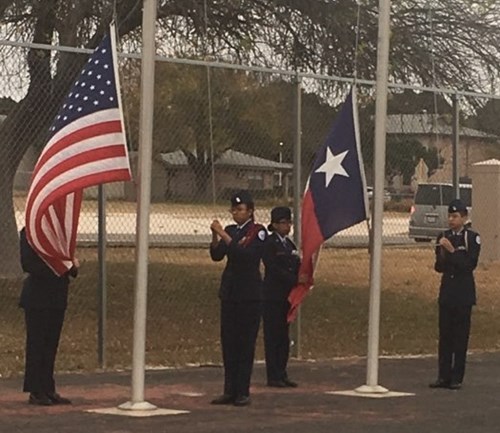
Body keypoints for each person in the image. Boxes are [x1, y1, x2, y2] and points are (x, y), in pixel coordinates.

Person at [209, 190, 267, 407]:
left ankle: (243, 390)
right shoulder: (231, 230)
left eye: (240, 209)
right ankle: (229, 389)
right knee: (229, 343)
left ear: (250, 211)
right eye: (233, 209)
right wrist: (215, 235)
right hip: (230, 293)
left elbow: (245, 255)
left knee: (245, 343)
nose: (236, 213)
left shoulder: (257, 232)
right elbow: (217, 255)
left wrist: (223, 234)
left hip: (249, 294)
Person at [19, 227, 79, 405]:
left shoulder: (61, 233)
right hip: (37, 296)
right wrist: (59, 266)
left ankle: (48, 387)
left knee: (51, 344)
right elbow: (28, 264)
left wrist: (71, 265)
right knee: (37, 343)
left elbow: (71, 267)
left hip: (57, 295)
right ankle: (35, 390)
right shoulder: (30, 232)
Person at [429, 199, 481, 390]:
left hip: (463, 293)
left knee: (460, 337)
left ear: (464, 218)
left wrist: (452, 251)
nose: (451, 220)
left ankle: (456, 377)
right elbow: (439, 267)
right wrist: (442, 254)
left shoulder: (471, 237)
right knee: (445, 336)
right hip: (447, 292)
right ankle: (443, 376)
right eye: (450, 216)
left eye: (455, 216)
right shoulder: (443, 236)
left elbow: (469, 265)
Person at [262, 206, 300, 388]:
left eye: (289, 222)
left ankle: (282, 372)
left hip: (286, 296)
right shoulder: (270, 244)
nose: (287, 226)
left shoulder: (290, 245)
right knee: (273, 336)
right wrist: (293, 279)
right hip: (272, 296)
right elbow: (273, 268)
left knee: (284, 337)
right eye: (284, 223)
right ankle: (273, 374)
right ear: (275, 224)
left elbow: (296, 264)